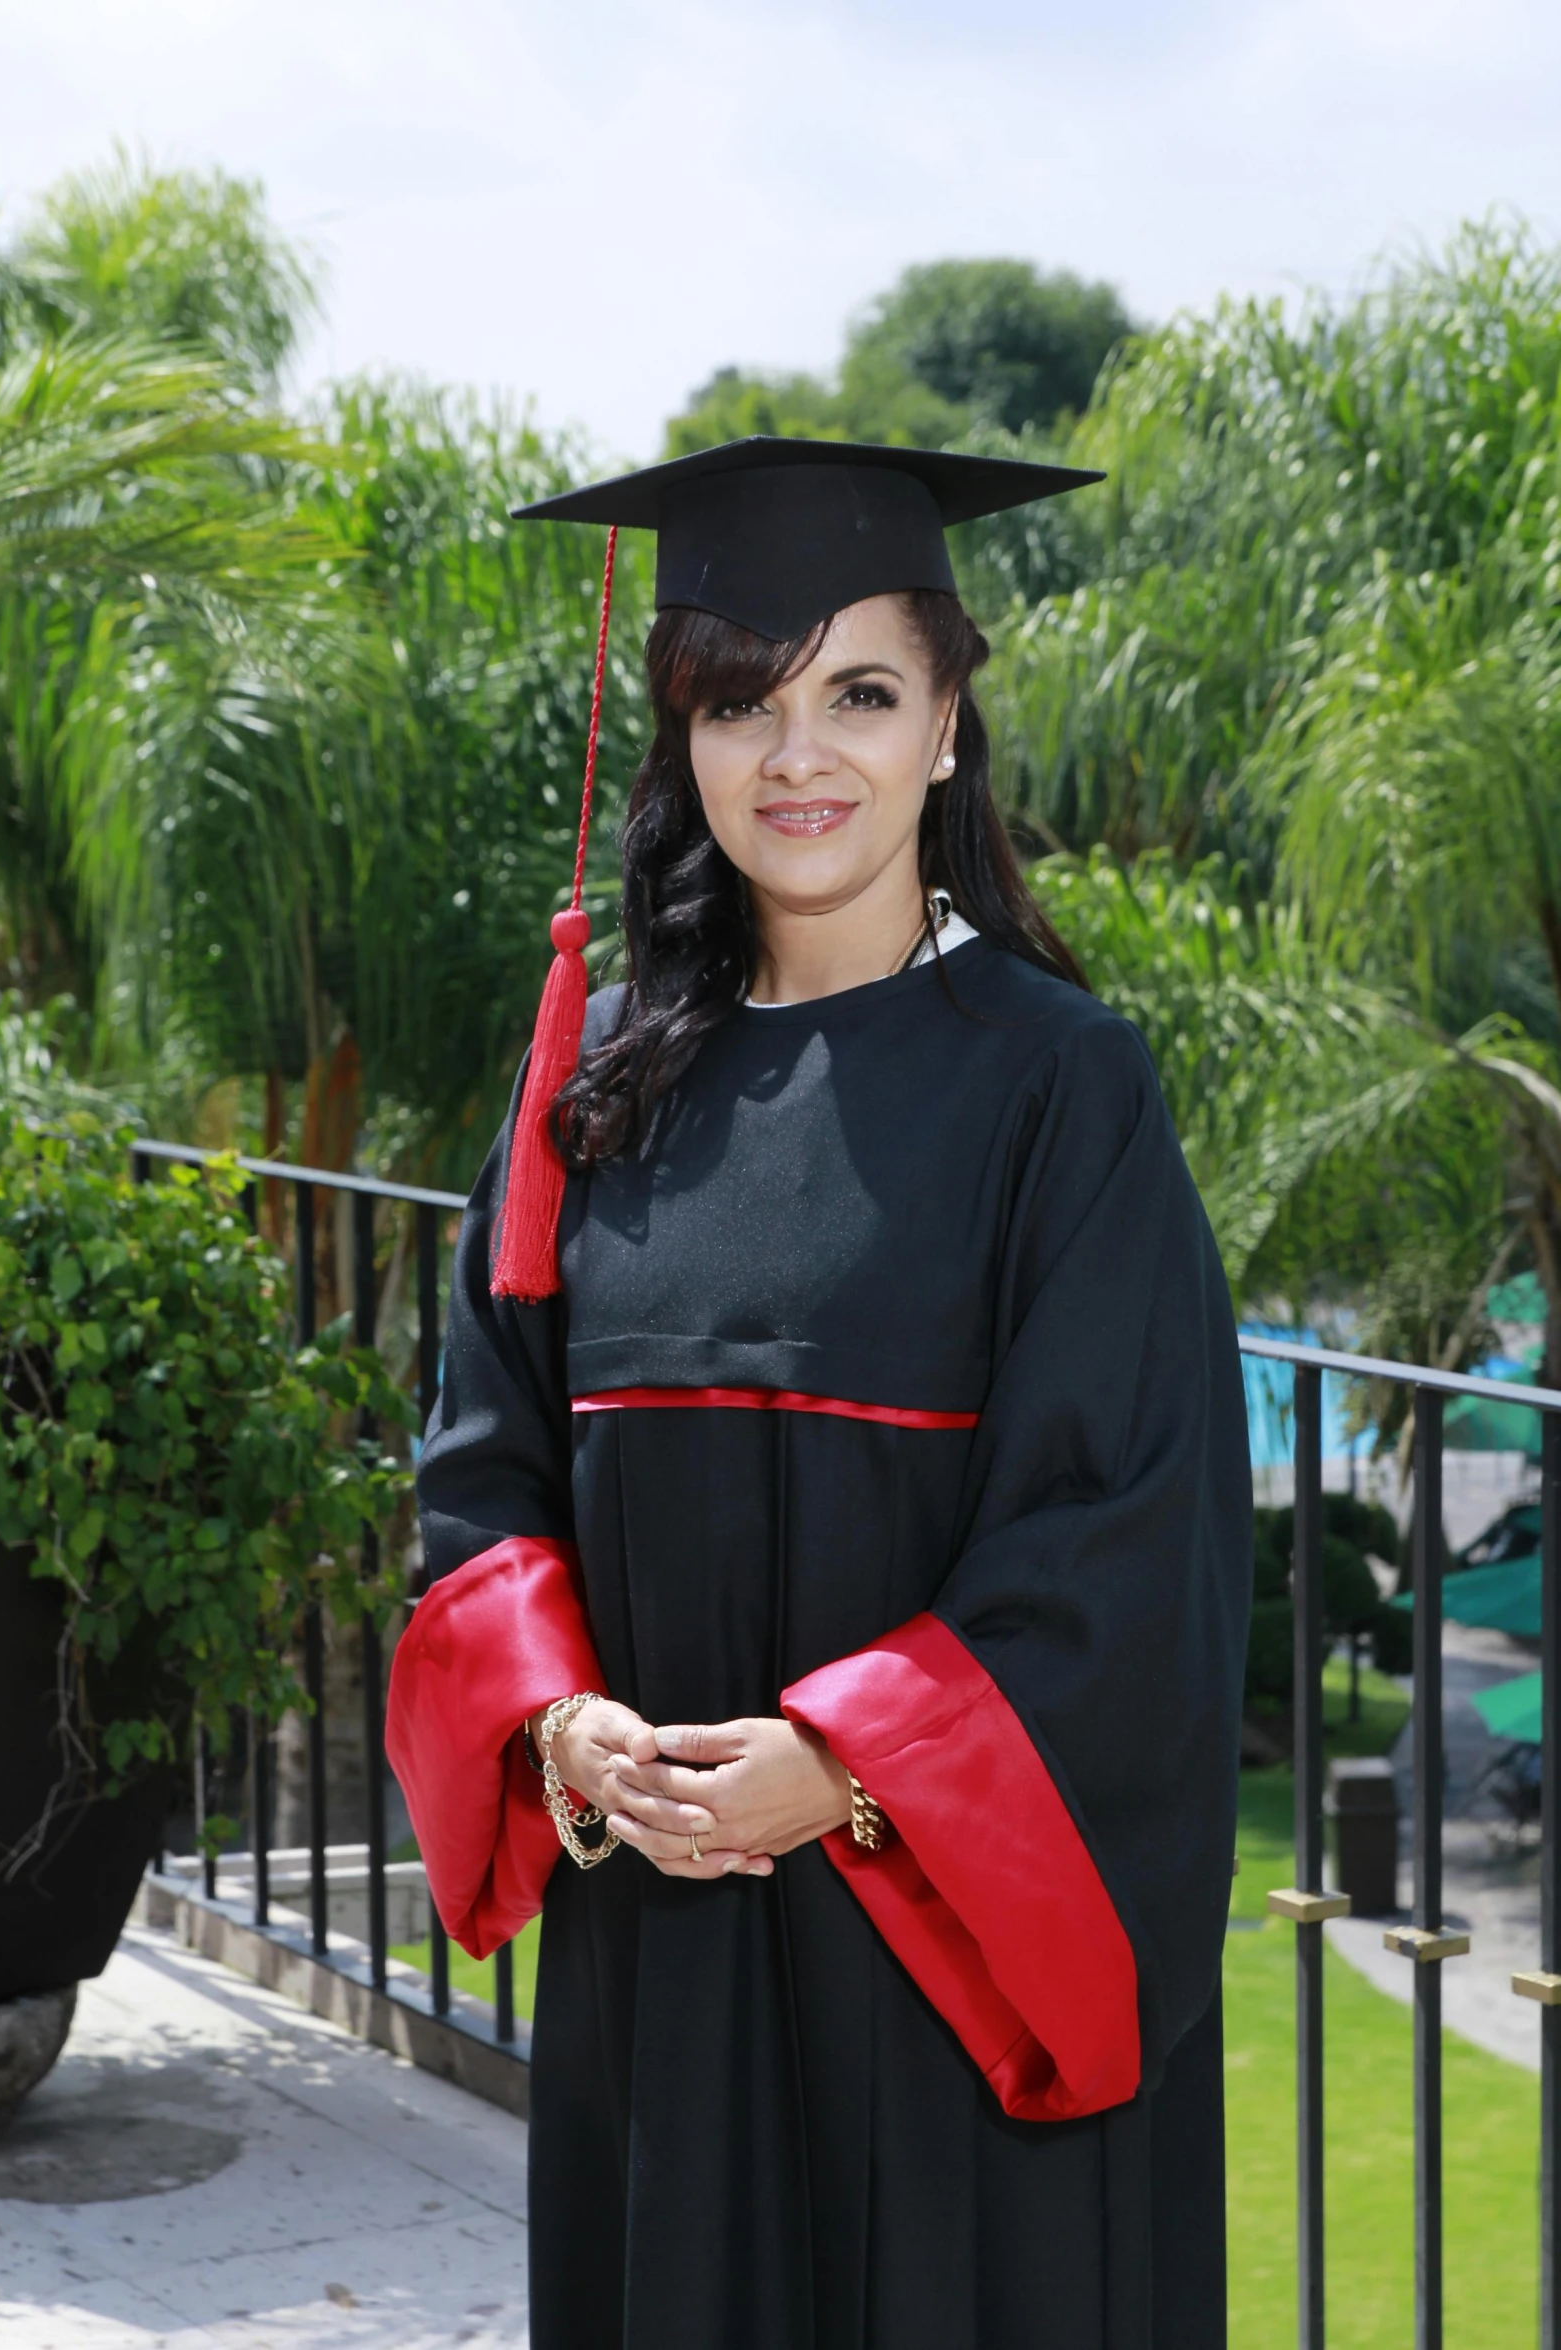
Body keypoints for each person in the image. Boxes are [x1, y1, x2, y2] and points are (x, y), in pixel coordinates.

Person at [386, 437, 1253, 2350]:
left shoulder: (1057, 1088)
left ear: (946, 724)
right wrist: (559, 1727)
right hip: (663, 1949)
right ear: (680, 738)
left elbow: (1124, 1544)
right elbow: (484, 1476)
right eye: (739, 699)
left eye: (860, 692)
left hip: (948, 1965)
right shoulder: (592, 1090)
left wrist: (844, 1768)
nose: (800, 755)